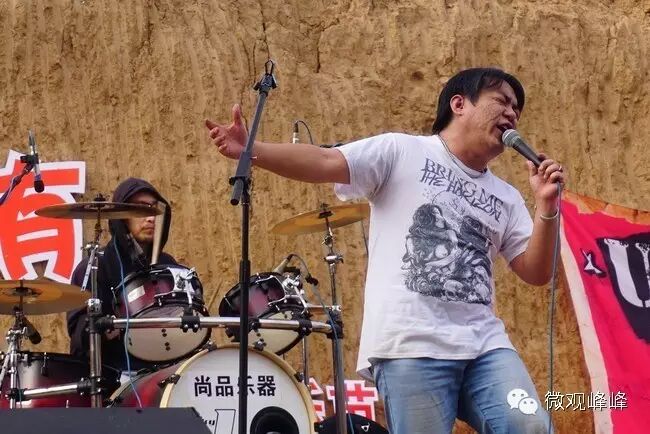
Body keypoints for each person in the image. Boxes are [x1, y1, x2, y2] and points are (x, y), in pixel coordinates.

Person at [206, 67, 563, 433]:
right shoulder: (402, 150)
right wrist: (252, 150)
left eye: (517, 109)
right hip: (411, 344)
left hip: (486, 345)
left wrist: (547, 208)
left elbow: (536, 272)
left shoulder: (506, 196)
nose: (511, 113)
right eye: (501, 101)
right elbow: (327, 162)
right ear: (459, 104)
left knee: (530, 425)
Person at [66, 177, 176, 372]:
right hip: (115, 376)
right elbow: (79, 338)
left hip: (165, 370)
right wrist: (103, 326)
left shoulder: (168, 265)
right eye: (141, 209)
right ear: (122, 217)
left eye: (154, 209)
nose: (151, 217)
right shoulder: (95, 267)